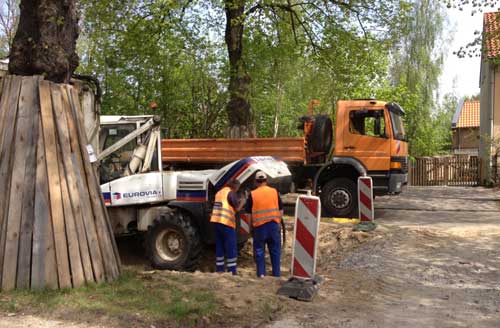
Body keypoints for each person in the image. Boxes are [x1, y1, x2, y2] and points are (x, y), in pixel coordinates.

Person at [245, 171, 283, 277]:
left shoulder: (253, 194)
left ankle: (261, 274)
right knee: (275, 250)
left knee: (259, 251)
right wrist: (278, 222)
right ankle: (276, 274)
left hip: (260, 227)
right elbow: (281, 210)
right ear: (266, 181)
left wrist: (250, 227)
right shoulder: (274, 191)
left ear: (256, 182)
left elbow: (248, 214)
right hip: (274, 225)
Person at [210, 179, 243, 275]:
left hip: (217, 222)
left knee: (219, 245)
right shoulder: (231, 193)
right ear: (235, 186)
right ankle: (232, 270)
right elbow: (237, 208)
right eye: (238, 188)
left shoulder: (220, 192)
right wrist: (242, 202)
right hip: (226, 223)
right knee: (231, 246)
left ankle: (219, 269)